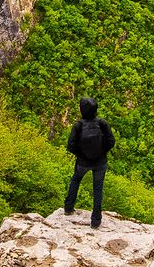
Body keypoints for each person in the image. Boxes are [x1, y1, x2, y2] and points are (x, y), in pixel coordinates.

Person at [63, 97, 116, 228]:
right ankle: (95, 221)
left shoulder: (78, 125)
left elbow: (71, 145)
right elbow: (111, 141)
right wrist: (102, 152)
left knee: (75, 180)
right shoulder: (102, 123)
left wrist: (82, 155)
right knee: (98, 189)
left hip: (82, 162)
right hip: (100, 162)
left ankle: (68, 208)